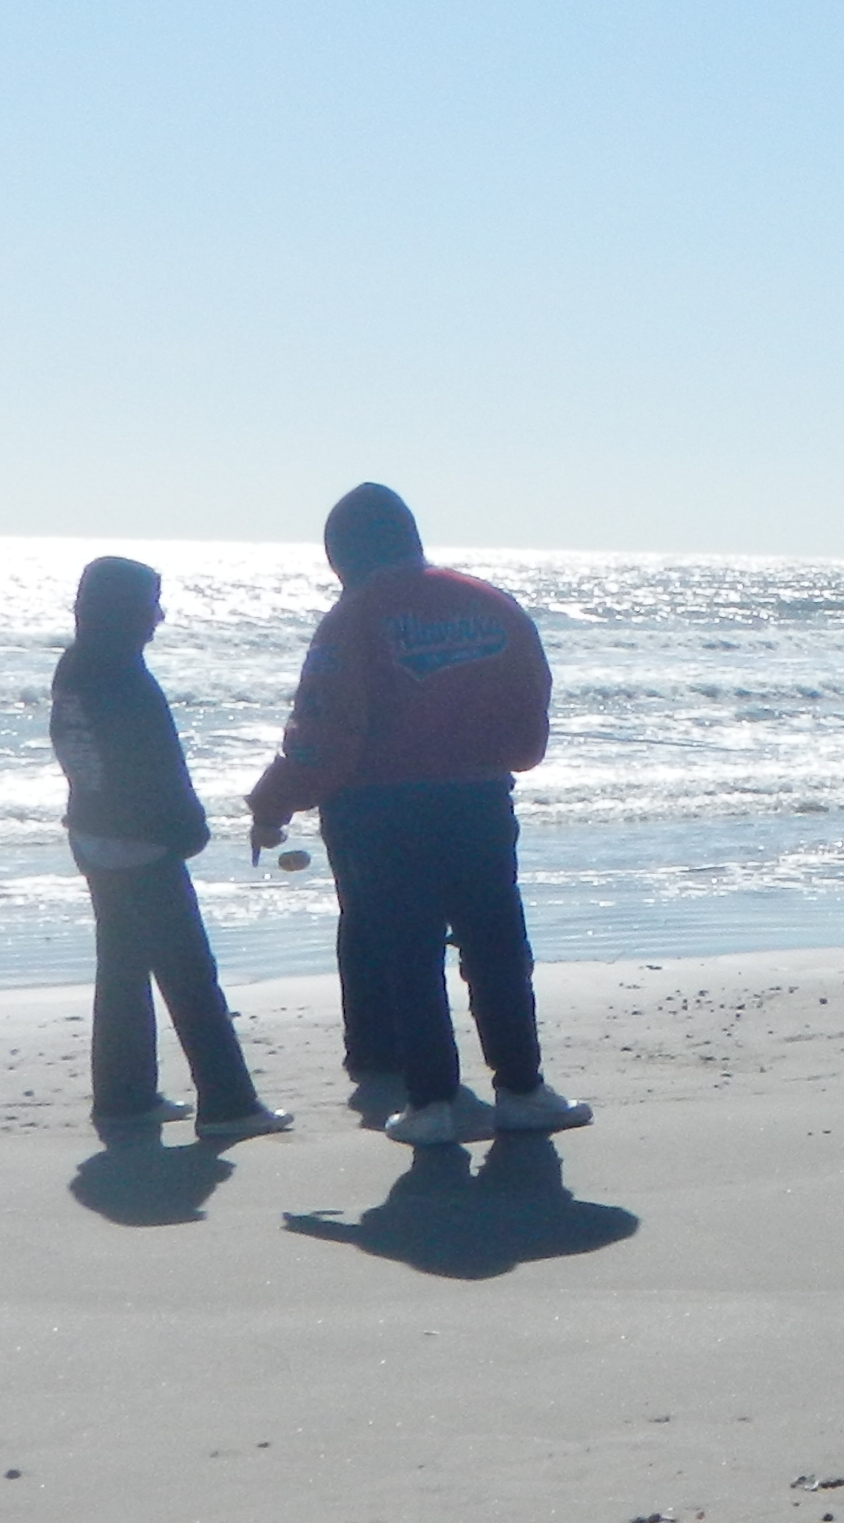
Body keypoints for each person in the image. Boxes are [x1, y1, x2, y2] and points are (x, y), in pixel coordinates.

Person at [246, 485, 591, 1148]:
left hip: (380, 809)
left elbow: (322, 730)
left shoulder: (352, 618)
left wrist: (272, 802)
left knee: (409, 950)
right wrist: (497, 758)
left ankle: (432, 1102)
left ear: (343, 555)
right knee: (495, 944)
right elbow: (531, 713)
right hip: (478, 800)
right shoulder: (490, 604)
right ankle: (522, 1088)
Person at [52, 556, 288, 1142]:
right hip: (139, 843)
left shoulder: (77, 665)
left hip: (92, 832)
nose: (158, 616)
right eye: (149, 604)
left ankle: (123, 1096)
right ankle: (229, 1104)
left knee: (124, 968)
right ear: (124, 611)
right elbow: (156, 767)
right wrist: (187, 829)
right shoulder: (123, 677)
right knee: (189, 974)